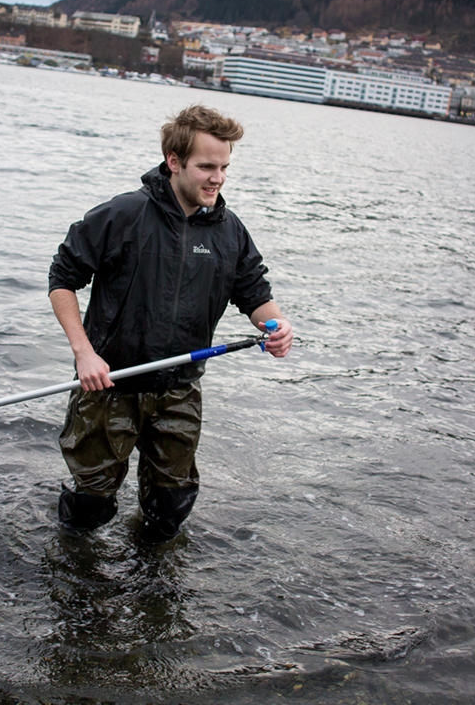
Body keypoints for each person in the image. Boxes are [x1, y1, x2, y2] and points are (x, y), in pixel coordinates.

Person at [48, 104, 293, 543]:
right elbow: (63, 279)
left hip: (180, 389)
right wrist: (84, 353)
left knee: (170, 511)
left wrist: (276, 325)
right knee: (91, 507)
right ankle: (73, 577)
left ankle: (153, 583)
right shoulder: (122, 215)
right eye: (206, 166)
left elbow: (254, 294)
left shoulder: (229, 230)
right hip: (109, 386)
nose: (217, 178)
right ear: (174, 162)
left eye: (224, 167)